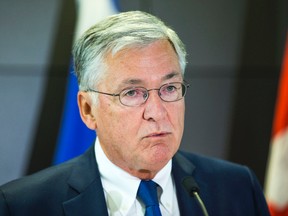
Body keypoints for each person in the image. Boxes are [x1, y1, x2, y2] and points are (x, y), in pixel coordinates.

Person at [0, 11, 269, 216]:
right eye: (132, 93)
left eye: (169, 88)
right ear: (88, 110)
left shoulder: (238, 187)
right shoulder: (22, 206)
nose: (157, 111)